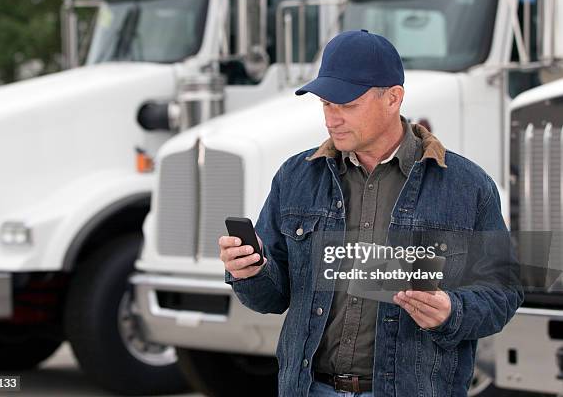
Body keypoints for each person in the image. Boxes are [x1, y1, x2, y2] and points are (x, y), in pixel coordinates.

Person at [219, 30, 523, 397]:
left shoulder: (466, 186)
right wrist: (249, 272)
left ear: (393, 98)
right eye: (326, 104)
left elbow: (503, 293)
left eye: (347, 105)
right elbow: (272, 297)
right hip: (310, 389)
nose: (332, 119)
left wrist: (451, 312)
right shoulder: (295, 176)